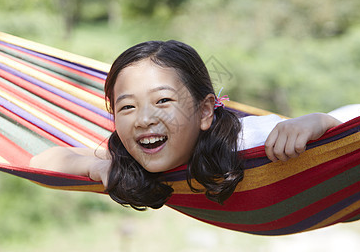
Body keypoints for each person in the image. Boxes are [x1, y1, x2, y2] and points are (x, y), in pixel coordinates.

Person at [30, 40, 341, 209]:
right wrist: (93, 167)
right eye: (127, 107)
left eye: (163, 101)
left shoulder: (250, 138)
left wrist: (318, 120)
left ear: (205, 111)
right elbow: (41, 159)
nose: (144, 119)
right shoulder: (128, 154)